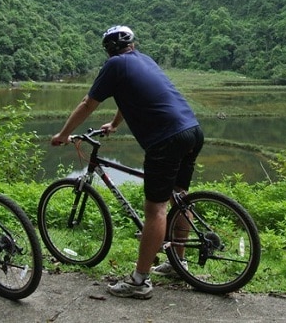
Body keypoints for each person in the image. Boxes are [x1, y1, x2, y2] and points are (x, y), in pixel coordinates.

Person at [51, 25, 204, 299]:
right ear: (132, 43)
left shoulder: (114, 66)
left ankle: (139, 281)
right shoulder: (144, 60)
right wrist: (114, 123)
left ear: (108, 49)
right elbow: (129, 97)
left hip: (166, 140)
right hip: (192, 130)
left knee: (155, 210)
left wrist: (63, 134)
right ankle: (178, 262)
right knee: (179, 197)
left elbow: (88, 103)